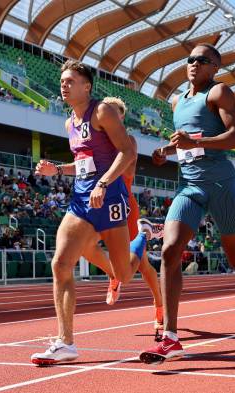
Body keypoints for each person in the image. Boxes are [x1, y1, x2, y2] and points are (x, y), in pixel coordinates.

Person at [30, 60, 160, 366]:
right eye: (62, 81)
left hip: (111, 196)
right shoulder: (69, 123)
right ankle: (65, 342)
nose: (64, 85)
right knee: (61, 263)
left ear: (86, 86)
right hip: (81, 198)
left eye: (70, 81)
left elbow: (126, 152)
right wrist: (57, 169)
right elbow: (82, 161)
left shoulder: (103, 111)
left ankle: (142, 235)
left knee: (124, 275)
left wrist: (103, 183)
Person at [139, 43, 235, 364]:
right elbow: (185, 144)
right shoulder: (176, 101)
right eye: (191, 59)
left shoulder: (219, 93)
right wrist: (166, 151)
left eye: (203, 60)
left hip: (221, 185)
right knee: (171, 251)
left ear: (215, 67)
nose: (194, 63)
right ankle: (171, 337)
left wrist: (195, 141)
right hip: (189, 187)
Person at [84, 96, 164, 333]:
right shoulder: (96, 140)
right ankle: (114, 274)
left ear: (120, 117)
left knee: (143, 265)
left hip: (123, 204)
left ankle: (159, 305)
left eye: (114, 113)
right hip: (98, 201)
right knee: (84, 244)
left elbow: (122, 163)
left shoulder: (128, 140)